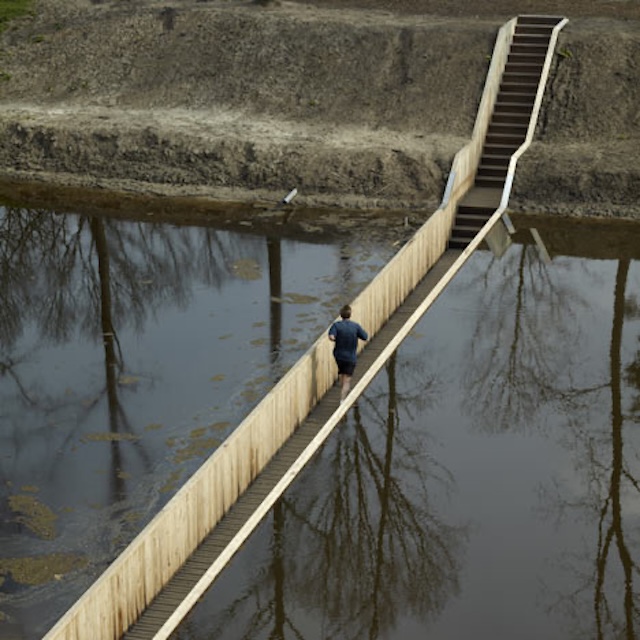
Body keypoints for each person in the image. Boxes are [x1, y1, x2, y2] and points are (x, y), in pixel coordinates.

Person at [328, 304, 368, 403]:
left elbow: (331, 336)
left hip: (339, 355)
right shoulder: (355, 326)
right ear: (350, 315)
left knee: (342, 374)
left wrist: (336, 338)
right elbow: (365, 337)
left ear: (341, 315)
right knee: (347, 379)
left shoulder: (336, 325)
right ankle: (342, 400)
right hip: (350, 356)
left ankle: (342, 392)